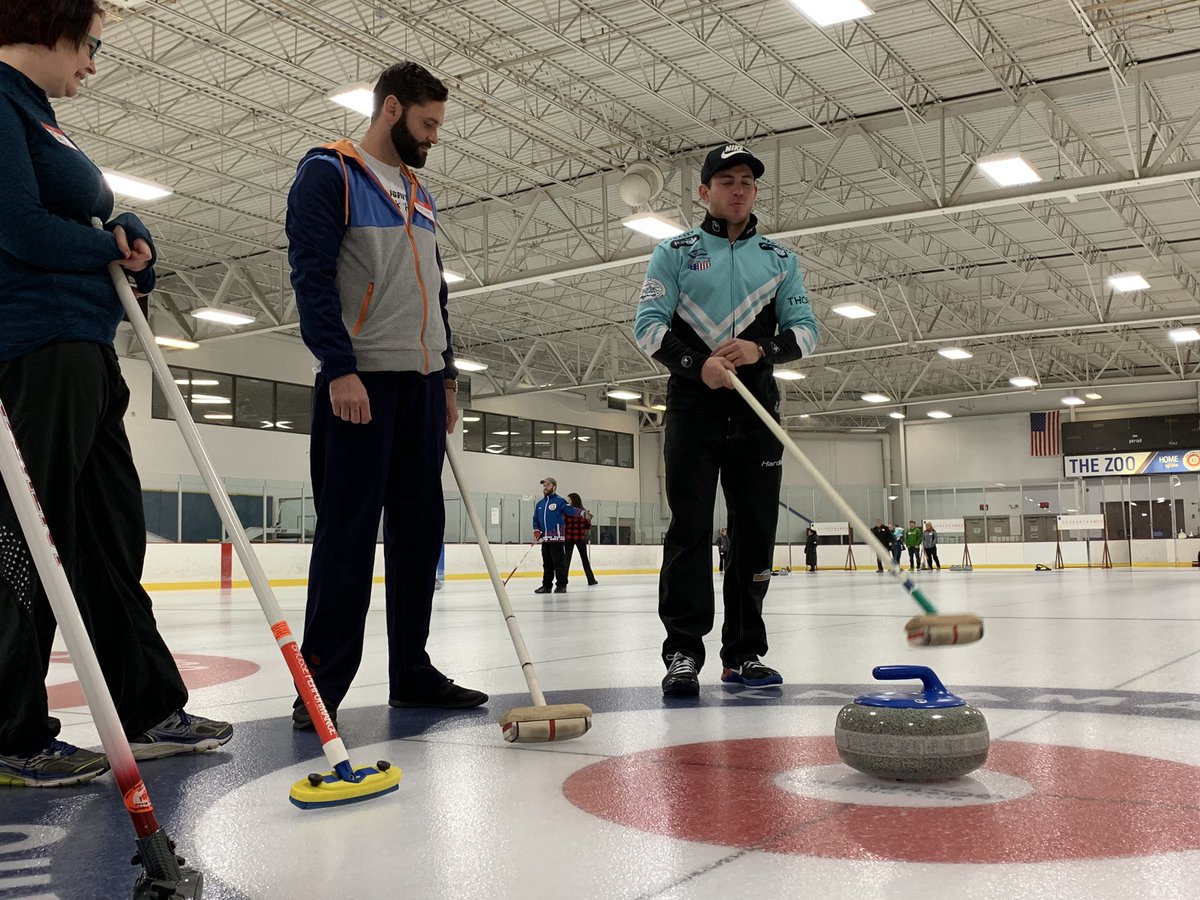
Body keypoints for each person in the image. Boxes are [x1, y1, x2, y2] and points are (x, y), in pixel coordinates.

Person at [0, 0, 232, 786]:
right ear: (50, 25)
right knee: (31, 541)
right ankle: (10, 730)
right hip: (34, 347)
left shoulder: (41, 116)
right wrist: (106, 244)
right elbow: (19, 229)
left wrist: (125, 229)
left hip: (88, 349)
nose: (93, 65)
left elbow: (84, 220)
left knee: (109, 536)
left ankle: (145, 704)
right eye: (90, 46)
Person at [285, 60, 487, 728]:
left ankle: (413, 672)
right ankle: (320, 691)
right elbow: (311, 277)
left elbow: (437, 288)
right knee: (346, 537)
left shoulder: (419, 193)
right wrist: (338, 365)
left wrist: (449, 373)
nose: (434, 137)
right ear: (392, 109)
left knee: (418, 533)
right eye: (427, 124)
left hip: (424, 389)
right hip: (360, 385)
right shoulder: (329, 172)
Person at [633, 143, 819, 697]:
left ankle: (744, 653)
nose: (738, 189)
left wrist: (762, 350)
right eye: (726, 180)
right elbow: (647, 324)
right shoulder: (673, 251)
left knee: (755, 532)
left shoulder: (781, 259)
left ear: (755, 191)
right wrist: (698, 365)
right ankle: (683, 653)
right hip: (695, 406)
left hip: (758, 405)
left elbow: (806, 329)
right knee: (689, 530)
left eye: (747, 181)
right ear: (704, 191)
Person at [531, 477, 580, 593]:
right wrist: (536, 530)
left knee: (558, 563)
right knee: (547, 564)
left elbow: (570, 510)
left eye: (548, 485)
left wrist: (582, 513)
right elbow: (535, 519)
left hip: (557, 538)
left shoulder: (559, 501)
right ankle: (547, 586)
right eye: (544, 485)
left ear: (554, 487)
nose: (545, 487)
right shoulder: (540, 504)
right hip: (545, 539)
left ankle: (562, 585)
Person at [564, 491, 598, 586]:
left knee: (566, 560)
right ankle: (591, 580)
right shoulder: (583, 512)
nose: (568, 501)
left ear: (572, 500)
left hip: (569, 537)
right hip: (580, 538)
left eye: (569, 500)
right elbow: (588, 526)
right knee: (585, 559)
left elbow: (564, 524)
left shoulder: (568, 511)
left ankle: (563, 581)